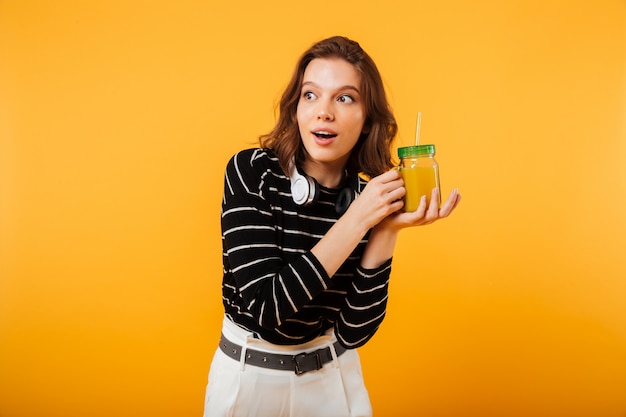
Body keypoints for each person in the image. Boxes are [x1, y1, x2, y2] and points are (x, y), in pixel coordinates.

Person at [203, 35, 461, 417]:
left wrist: (386, 230)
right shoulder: (251, 171)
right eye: (311, 95)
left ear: (368, 119)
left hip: (333, 382)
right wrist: (357, 219)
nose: (324, 112)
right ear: (295, 108)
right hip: (249, 381)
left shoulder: (369, 197)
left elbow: (354, 332)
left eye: (344, 98)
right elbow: (265, 307)